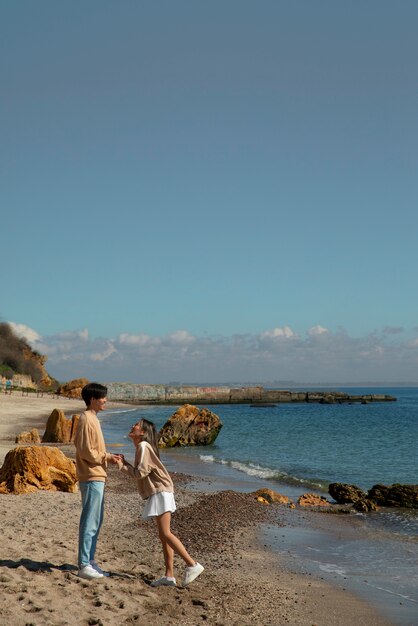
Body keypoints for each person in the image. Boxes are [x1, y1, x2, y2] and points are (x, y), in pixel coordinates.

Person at [117, 418, 204, 587]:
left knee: (165, 534)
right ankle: (169, 576)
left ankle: (192, 564)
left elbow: (139, 474)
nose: (132, 425)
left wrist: (121, 465)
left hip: (161, 491)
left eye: (135, 424)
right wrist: (125, 462)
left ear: (142, 432)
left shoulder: (143, 446)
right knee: (164, 535)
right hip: (160, 490)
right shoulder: (142, 447)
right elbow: (141, 471)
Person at [74, 382, 120, 580]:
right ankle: (84, 564)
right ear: (92, 399)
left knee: (97, 520)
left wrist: (107, 456)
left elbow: (92, 449)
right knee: (90, 520)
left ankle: (90, 561)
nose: (105, 400)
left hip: (97, 475)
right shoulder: (85, 418)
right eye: (102, 397)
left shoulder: (93, 418)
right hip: (91, 475)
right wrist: (107, 457)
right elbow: (85, 450)